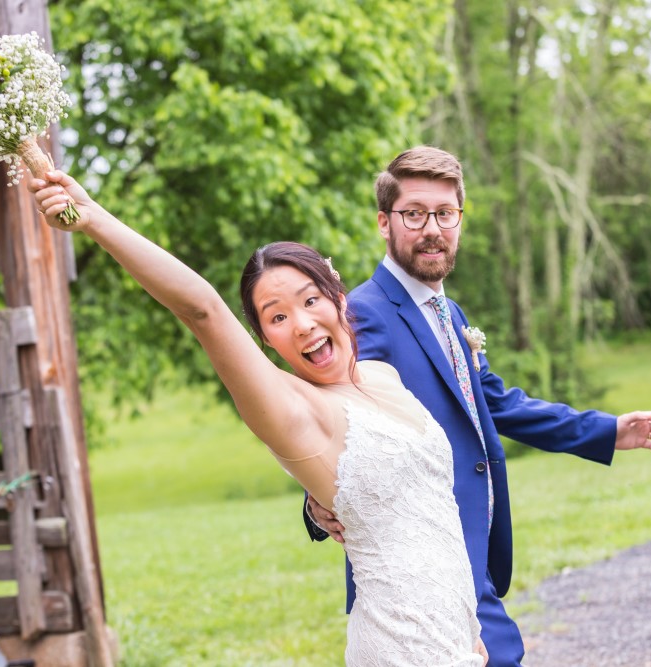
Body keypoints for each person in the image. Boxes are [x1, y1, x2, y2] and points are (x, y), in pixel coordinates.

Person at [29, 169, 488, 666]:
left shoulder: (381, 375)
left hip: (457, 637)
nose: (304, 324)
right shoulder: (291, 411)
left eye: (311, 300)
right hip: (402, 646)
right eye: (277, 317)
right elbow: (202, 309)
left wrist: (469, 628)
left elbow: (431, 518)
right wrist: (94, 219)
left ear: (338, 296)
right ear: (264, 341)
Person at [303, 145, 651, 667]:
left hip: (468, 551)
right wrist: (317, 504)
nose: (432, 227)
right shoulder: (364, 313)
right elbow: (342, 419)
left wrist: (607, 430)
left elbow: (494, 403)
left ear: (459, 219)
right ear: (384, 223)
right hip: (421, 559)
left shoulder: (447, 310)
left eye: (446, 213)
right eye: (414, 213)